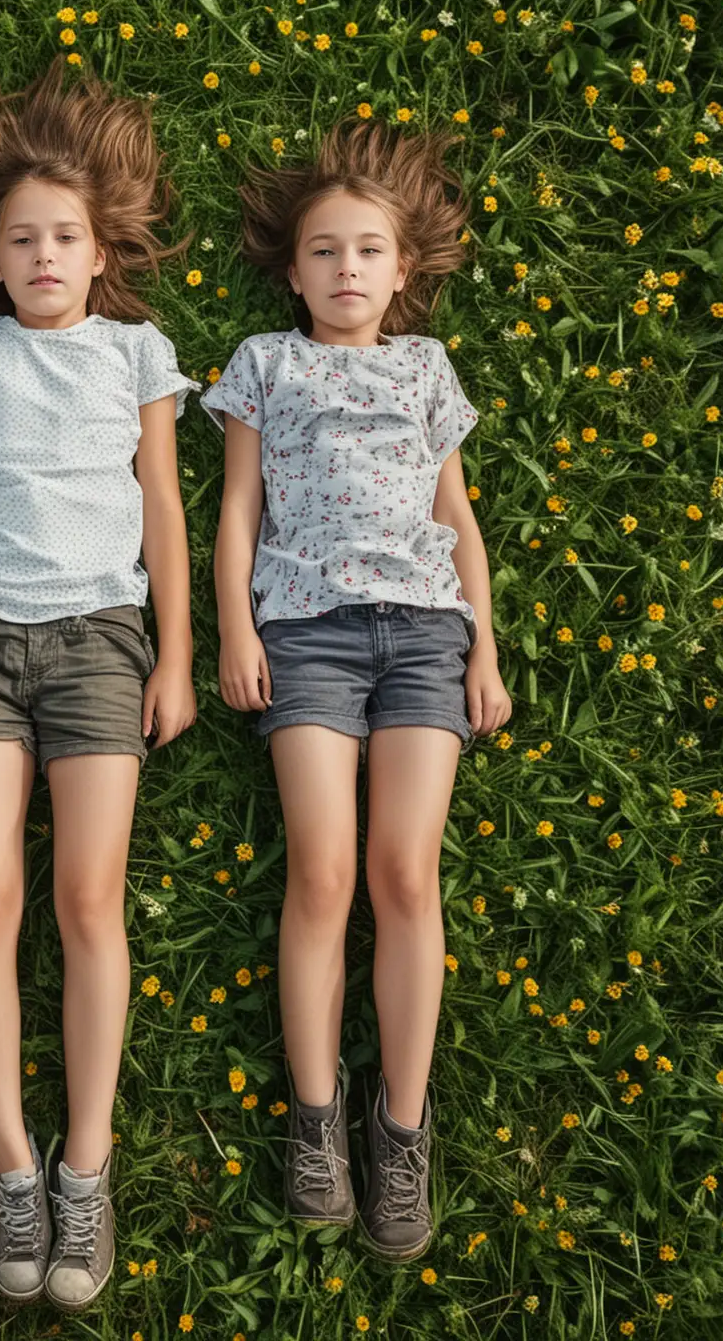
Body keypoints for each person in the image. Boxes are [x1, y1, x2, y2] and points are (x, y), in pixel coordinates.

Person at [0, 60, 197, 1310]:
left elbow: (165, 508)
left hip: (99, 642)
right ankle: (13, 1165)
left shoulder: (139, 351)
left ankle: (87, 1160)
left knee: (88, 902)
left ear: (100, 248)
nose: (47, 253)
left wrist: (178, 655)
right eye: (23, 238)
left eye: (66, 234)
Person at [202, 117, 512, 1261]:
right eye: (325, 252)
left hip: (427, 635)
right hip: (308, 636)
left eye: (368, 251)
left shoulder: (426, 369)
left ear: (403, 270)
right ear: (294, 272)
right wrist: (234, 627)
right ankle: (320, 1120)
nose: (346, 271)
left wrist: (484, 648)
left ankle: (404, 1127)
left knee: (403, 870)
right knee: (323, 870)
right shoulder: (264, 365)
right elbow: (236, 509)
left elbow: (459, 520)